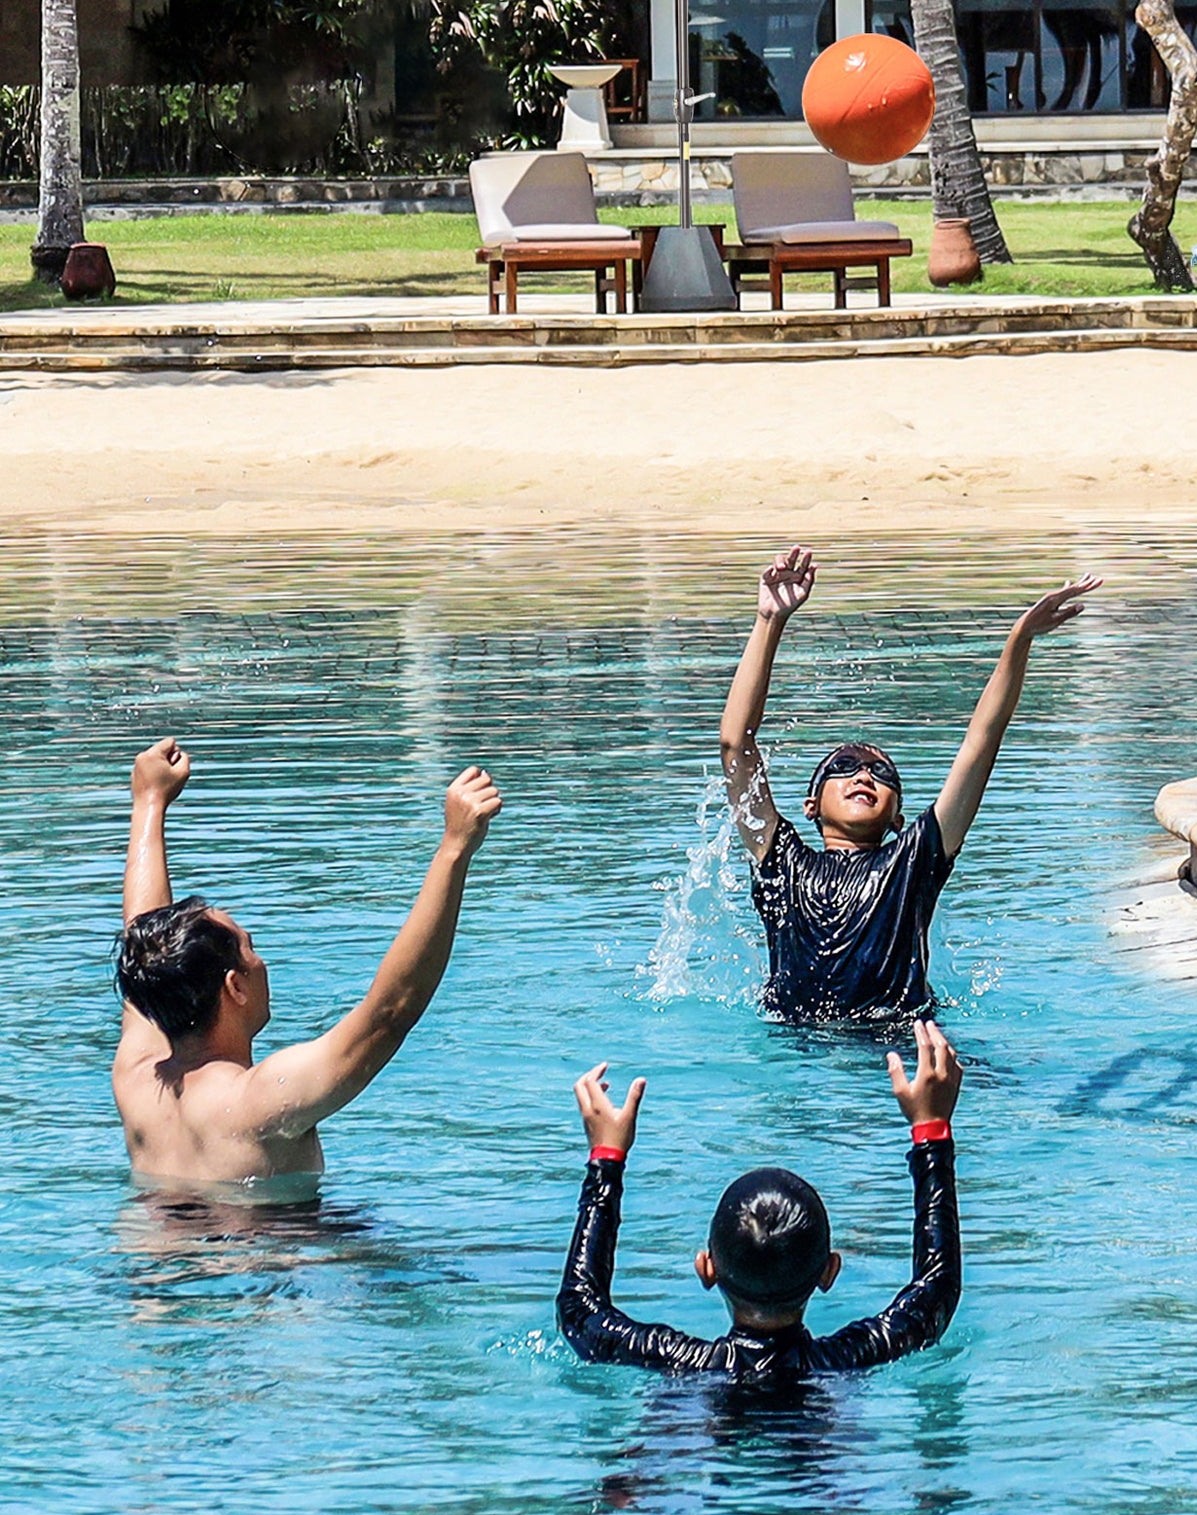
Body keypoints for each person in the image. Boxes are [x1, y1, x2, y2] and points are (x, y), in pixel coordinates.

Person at [718, 546, 1100, 1021]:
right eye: (845, 766)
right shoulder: (782, 864)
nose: (863, 774)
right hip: (794, 1047)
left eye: (882, 774)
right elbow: (736, 745)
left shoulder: (914, 860)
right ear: (811, 805)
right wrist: (768, 621)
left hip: (895, 1043)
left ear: (898, 817)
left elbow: (980, 744)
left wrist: (1019, 639)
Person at [111, 736, 501, 1188]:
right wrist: (454, 849)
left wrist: (149, 802)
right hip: (271, 1252)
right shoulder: (259, 1102)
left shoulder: (139, 1079)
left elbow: (147, 948)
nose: (262, 962)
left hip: (151, 1248)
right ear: (234, 986)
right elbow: (390, 1013)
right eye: (249, 948)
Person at [557, 1019, 962, 1378]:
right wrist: (931, 1132)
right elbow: (935, 1289)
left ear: (706, 1268)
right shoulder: (847, 1360)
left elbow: (579, 1309)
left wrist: (606, 1161)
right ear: (830, 1272)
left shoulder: (675, 1362)